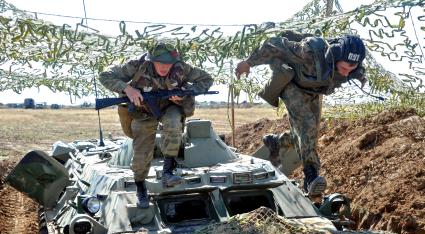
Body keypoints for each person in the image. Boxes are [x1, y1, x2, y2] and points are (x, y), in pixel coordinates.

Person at [235, 31, 366, 196]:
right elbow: (272, 44)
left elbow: (355, 70)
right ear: (334, 56)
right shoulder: (309, 51)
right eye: (343, 68)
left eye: (351, 68)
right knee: (307, 124)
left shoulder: (353, 65)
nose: (347, 73)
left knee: (309, 134)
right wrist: (248, 63)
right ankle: (311, 176)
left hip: (314, 91)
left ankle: (277, 141)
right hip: (293, 86)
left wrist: (361, 77)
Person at [99, 42, 213, 208]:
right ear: (151, 60)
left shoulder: (182, 68)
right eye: (161, 63)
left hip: (169, 107)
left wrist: (185, 94)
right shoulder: (136, 65)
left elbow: (207, 79)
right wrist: (127, 89)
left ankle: (168, 171)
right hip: (143, 112)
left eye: (169, 64)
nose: (165, 67)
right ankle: (140, 187)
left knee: (174, 123)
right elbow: (105, 75)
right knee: (142, 150)